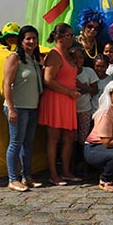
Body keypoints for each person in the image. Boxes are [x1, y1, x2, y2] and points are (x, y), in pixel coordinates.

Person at [38, 23, 81, 186]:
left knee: (70, 136)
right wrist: (68, 91)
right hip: (57, 99)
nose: (71, 38)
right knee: (54, 137)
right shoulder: (54, 55)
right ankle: (53, 174)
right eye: (67, 35)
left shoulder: (68, 55)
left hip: (68, 99)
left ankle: (66, 171)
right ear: (58, 37)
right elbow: (48, 79)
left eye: (71, 35)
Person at [2, 25, 43, 192]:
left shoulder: (33, 59)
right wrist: (11, 108)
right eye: (28, 38)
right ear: (21, 40)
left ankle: (27, 176)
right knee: (15, 143)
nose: (31, 41)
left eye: (34, 38)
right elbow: (6, 84)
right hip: (18, 107)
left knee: (28, 143)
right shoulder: (15, 57)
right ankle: (13, 178)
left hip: (32, 106)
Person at [70, 46, 99, 173]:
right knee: (71, 139)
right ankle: (71, 166)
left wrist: (82, 86)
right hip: (70, 110)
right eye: (74, 58)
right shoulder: (67, 71)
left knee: (84, 139)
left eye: (80, 57)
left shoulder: (89, 72)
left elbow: (95, 89)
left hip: (85, 109)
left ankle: (85, 165)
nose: (78, 60)